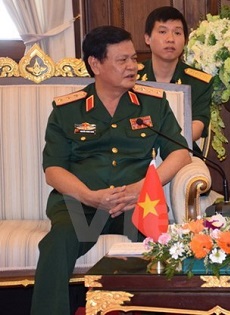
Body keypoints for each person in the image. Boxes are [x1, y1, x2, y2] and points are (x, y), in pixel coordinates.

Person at [30, 25, 191, 315]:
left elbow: (180, 153)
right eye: (122, 60)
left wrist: (141, 188)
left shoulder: (153, 105)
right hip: (81, 205)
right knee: (57, 243)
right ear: (96, 64)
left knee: (159, 240)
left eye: (134, 59)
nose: (133, 66)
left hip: (137, 203)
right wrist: (91, 197)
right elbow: (53, 170)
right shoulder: (67, 110)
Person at [138, 6, 213, 154]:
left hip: (180, 151)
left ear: (185, 40)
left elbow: (197, 127)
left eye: (177, 33)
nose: (170, 39)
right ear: (147, 38)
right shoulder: (131, 77)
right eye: (162, 32)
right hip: (136, 154)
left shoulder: (199, 82)